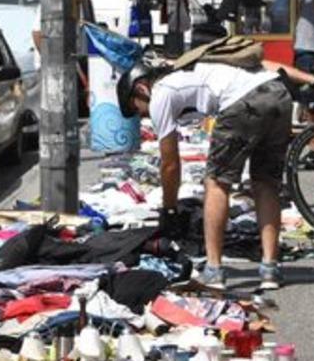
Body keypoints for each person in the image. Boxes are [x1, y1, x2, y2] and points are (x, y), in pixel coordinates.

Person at [117, 60, 293, 291]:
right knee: (265, 182)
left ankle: (214, 270)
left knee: (217, 183)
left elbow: (170, 164)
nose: (142, 116)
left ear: (141, 89)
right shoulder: (185, 74)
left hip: (242, 102)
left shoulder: (160, 93)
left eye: (136, 109)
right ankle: (270, 268)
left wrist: (169, 209)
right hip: (278, 93)